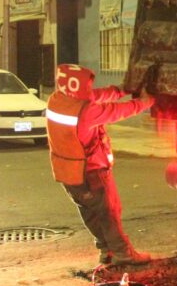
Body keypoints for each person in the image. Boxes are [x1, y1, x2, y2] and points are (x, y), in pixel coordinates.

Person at [45, 63, 154, 265]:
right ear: (78, 87)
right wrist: (146, 102)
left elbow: (95, 96)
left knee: (89, 212)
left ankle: (105, 250)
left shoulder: (57, 100)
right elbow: (116, 111)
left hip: (67, 172)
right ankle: (124, 254)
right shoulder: (86, 112)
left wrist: (120, 90)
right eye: (87, 85)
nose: (89, 88)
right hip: (92, 172)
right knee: (109, 212)